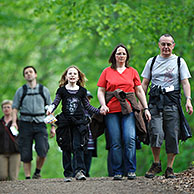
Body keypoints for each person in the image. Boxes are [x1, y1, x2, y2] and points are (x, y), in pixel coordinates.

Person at [141, 34, 193, 179]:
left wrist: (188, 100)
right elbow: (144, 83)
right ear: (159, 45)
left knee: (172, 134)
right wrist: (142, 104)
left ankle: (170, 167)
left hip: (172, 102)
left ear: (173, 45)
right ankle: (156, 163)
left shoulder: (179, 61)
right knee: (155, 132)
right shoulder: (151, 62)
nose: (166, 47)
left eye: (168, 44)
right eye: (163, 44)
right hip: (155, 102)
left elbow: (185, 83)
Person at [97, 43, 151, 180]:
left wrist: (145, 108)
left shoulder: (132, 71)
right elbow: (101, 90)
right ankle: (117, 172)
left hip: (129, 110)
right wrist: (103, 105)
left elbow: (139, 90)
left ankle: (131, 170)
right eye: (118, 53)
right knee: (115, 141)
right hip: (111, 110)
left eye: (123, 53)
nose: (121, 56)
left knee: (129, 138)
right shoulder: (107, 72)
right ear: (114, 56)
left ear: (126, 56)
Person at [46, 65, 102, 182]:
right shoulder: (61, 90)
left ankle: (79, 171)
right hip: (65, 122)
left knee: (78, 146)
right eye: (70, 73)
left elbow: (87, 105)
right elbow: (56, 102)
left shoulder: (82, 91)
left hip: (79, 122)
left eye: (74, 74)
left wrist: (99, 111)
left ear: (78, 77)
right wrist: (51, 108)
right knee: (66, 147)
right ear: (66, 76)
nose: (72, 75)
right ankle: (68, 173)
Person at [12, 66, 55, 180]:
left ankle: (37, 171)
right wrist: (14, 122)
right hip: (25, 123)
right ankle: (27, 178)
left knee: (43, 149)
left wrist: (53, 126)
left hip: (40, 123)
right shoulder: (21, 91)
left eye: (31, 72)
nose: (28, 74)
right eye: (26, 73)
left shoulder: (43, 90)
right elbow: (15, 108)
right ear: (24, 76)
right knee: (25, 151)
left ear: (35, 74)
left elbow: (50, 109)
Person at [0, 100, 21, 181]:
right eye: (4, 107)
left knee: (13, 177)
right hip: (1, 152)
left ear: (12, 109)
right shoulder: (0, 122)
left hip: (15, 152)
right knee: (2, 176)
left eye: (8, 107)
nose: (6, 109)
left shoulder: (18, 123)